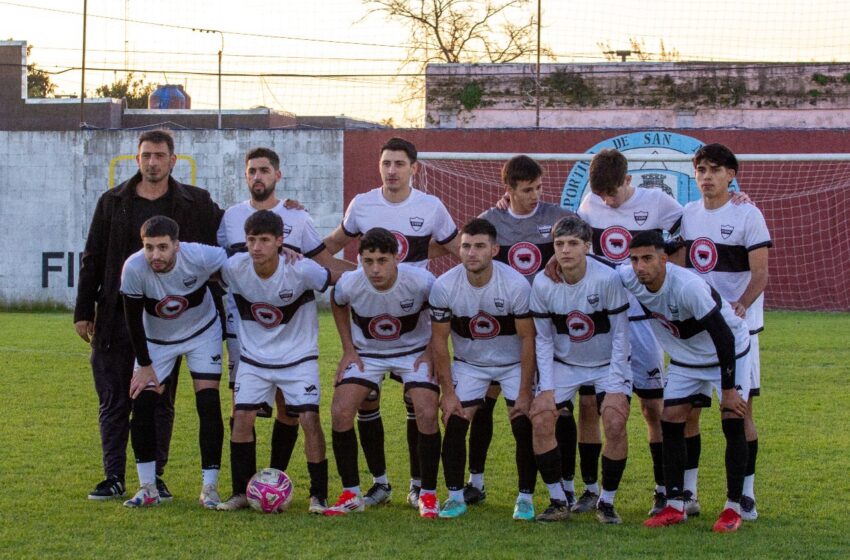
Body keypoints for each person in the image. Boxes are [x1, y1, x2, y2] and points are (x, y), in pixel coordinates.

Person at [75, 129, 222, 501]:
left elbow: (233, 232)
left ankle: (155, 476)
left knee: (158, 401)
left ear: (173, 161)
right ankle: (114, 476)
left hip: (169, 322)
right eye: (146, 156)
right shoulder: (112, 201)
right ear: (137, 159)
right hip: (116, 316)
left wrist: (283, 216)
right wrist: (83, 310)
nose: (153, 162)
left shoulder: (196, 202)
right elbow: (92, 256)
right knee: (114, 399)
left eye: (160, 156)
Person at [323, 137, 460, 508]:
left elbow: (456, 247)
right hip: (370, 335)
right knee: (351, 406)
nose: (392, 170)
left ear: (414, 168)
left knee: (422, 407)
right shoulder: (363, 205)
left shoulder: (430, 207)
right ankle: (372, 486)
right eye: (386, 163)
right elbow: (330, 248)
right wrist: (296, 245)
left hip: (413, 331)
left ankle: (422, 488)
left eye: (399, 163)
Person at [217, 148, 354, 509]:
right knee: (241, 415)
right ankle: (240, 492)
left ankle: (318, 495)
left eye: (265, 170)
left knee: (306, 417)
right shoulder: (232, 246)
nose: (256, 247)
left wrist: (382, 276)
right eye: (252, 171)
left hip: (297, 356)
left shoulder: (299, 243)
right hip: (253, 353)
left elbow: (336, 280)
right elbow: (205, 265)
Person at [575, 148, 684, 516]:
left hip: (644, 323)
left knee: (653, 408)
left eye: (614, 193)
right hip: (603, 322)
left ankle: (661, 489)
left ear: (628, 180)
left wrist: (670, 280)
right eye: (601, 194)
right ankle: (591, 490)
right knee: (589, 405)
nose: (608, 200)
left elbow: (691, 231)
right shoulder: (590, 204)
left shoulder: (657, 202)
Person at [621, 230, 751, 533]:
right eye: (635, 259)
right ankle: (676, 504)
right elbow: (598, 269)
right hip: (685, 360)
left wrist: (729, 390)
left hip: (729, 351)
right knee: (670, 420)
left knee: (733, 419)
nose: (640, 266)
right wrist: (557, 265)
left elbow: (723, 336)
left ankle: (733, 507)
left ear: (664, 259)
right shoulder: (629, 277)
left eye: (648, 258)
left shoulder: (688, 287)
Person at [468, 155, 577, 506]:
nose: (535, 195)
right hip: (503, 327)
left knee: (557, 406)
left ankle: (567, 483)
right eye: (527, 190)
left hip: (548, 326)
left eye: (539, 187)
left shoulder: (559, 218)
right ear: (509, 190)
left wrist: (558, 258)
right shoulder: (491, 221)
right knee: (485, 402)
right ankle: (476, 481)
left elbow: (586, 242)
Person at [680, 143, 771, 521]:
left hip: (740, 332)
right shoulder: (686, 215)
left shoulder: (749, 215)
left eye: (715, 170)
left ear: (731, 175)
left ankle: (745, 495)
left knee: (739, 410)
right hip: (697, 333)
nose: (706, 177)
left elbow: (760, 273)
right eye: (701, 170)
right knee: (687, 413)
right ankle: (687, 492)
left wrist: (742, 304)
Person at [324, 228, 441, 519]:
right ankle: (352, 493)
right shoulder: (351, 282)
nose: (375, 269)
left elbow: (443, 310)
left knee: (426, 410)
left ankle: (426, 493)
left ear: (397, 257)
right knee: (340, 411)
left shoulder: (421, 281)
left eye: (382, 260)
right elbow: (337, 303)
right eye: (368, 261)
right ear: (360, 260)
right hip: (367, 354)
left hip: (413, 351)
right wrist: (348, 349)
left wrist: (430, 352)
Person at [429, 218, 537, 520]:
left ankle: (525, 498)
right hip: (470, 365)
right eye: (465, 246)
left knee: (523, 422)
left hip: (513, 363)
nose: (471, 253)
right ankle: (454, 497)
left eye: (479, 246)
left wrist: (526, 392)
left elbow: (529, 340)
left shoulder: (515, 284)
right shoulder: (444, 285)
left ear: (494, 249)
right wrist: (447, 393)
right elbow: (439, 342)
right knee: (454, 419)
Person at [119, 216, 226, 508]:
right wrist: (144, 365)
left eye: (163, 247)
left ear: (177, 246)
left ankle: (210, 488)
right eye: (149, 247)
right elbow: (133, 320)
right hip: (156, 342)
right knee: (141, 405)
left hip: (202, 333)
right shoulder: (134, 267)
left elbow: (236, 264)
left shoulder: (200, 255)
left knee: (207, 403)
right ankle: (148, 488)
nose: (155, 255)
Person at [530, 216, 631, 524]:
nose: (566, 250)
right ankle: (558, 500)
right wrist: (546, 389)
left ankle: (607, 502)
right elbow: (544, 340)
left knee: (614, 422)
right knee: (541, 419)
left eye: (573, 244)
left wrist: (615, 386)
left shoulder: (607, 279)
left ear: (588, 247)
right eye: (559, 244)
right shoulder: (543, 281)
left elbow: (621, 336)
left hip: (606, 365)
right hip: (565, 364)